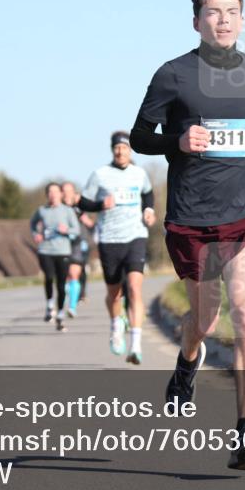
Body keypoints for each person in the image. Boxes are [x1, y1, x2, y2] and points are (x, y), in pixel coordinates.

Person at [130, 0, 245, 470]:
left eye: (232, 11)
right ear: (197, 20)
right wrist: (178, 142)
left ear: (243, 19)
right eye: (214, 12)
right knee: (205, 320)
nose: (223, 19)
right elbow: (140, 136)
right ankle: (187, 361)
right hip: (193, 215)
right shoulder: (173, 74)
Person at [79, 132, 156, 364]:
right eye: (117, 148)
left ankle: (135, 344)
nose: (120, 151)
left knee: (134, 287)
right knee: (114, 293)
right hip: (109, 239)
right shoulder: (100, 175)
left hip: (135, 236)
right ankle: (116, 324)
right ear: (112, 150)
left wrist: (149, 210)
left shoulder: (139, 173)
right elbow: (82, 202)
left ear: (130, 150)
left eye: (124, 148)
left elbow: (148, 193)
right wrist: (100, 204)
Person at [30, 182, 81, 332]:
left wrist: (66, 230)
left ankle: (60, 315)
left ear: (60, 194)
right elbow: (32, 224)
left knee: (61, 284)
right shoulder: (42, 210)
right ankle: (50, 305)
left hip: (63, 251)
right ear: (47, 195)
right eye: (50, 192)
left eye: (55, 192)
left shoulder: (67, 211)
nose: (53, 195)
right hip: (45, 250)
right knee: (49, 277)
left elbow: (76, 230)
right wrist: (36, 234)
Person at [61, 181, 95, 318]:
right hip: (61, 244)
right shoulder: (58, 208)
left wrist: (86, 220)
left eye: (69, 191)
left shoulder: (80, 207)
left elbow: (90, 223)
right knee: (65, 276)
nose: (66, 193)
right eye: (64, 191)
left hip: (78, 243)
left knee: (76, 273)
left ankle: (73, 306)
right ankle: (68, 298)